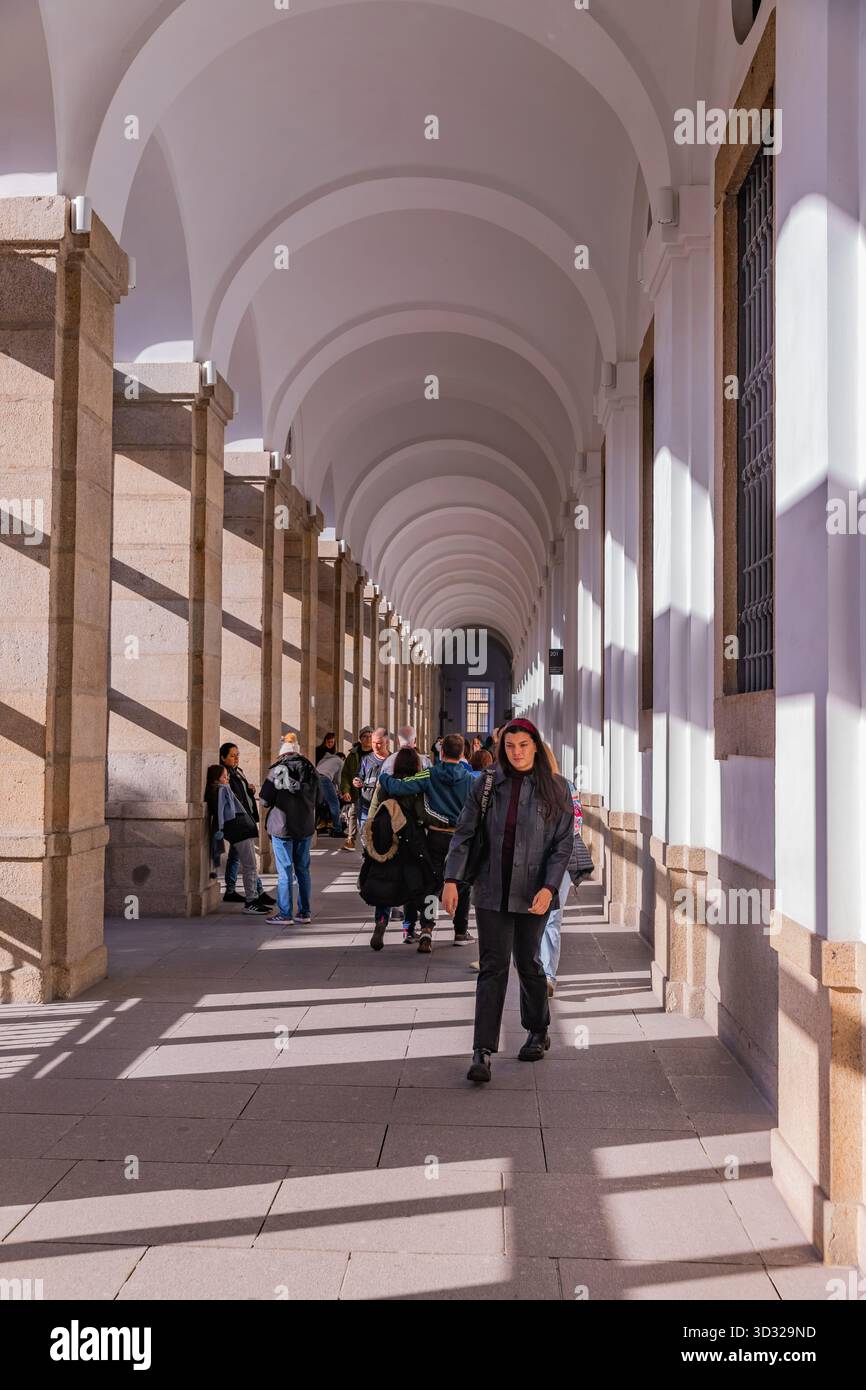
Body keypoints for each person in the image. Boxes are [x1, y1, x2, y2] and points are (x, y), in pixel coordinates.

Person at [442, 718, 574, 1085]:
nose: (516, 752)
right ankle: (482, 1051)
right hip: (491, 888)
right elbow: (464, 832)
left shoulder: (557, 788)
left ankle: (537, 1028)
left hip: (534, 890)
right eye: (510, 746)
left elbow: (563, 844)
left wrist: (549, 888)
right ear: (503, 748)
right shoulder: (485, 783)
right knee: (492, 966)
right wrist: (451, 879)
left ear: (536, 747)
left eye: (523, 746)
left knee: (529, 961)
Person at [377, 732, 475, 950]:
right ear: (462, 753)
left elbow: (398, 786)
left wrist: (383, 777)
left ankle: (427, 929)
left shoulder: (428, 775)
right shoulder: (470, 780)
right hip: (461, 839)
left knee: (432, 883)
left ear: (441, 752)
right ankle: (460, 931)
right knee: (462, 885)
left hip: (436, 836)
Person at [358, 748, 437, 951]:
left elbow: (374, 811)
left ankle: (382, 921)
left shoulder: (385, 784)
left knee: (386, 882)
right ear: (416, 766)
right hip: (412, 843)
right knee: (424, 884)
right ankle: (421, 930)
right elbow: (423, 815)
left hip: (387, 841)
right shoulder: (418, 785)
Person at [539, 747, 592, 997]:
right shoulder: (567, 787)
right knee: (550, 919)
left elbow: (576, 824)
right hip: (552, 862)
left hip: (553, 861)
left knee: (548, 916)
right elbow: (578, 825)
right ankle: (541, 970)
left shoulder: (563, 787)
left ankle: (546, 973)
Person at [259, 735, 319, 926]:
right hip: (305, 828)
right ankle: (304, 912)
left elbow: (265, 800)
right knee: (303, 870)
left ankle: (285, 914)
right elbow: (319, 799)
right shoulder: (310, 769)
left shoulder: (278, 769)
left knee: (285, 871)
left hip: (282, 828)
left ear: (282, 754)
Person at [204, 764, 270, 914]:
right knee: (250, 865)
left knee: (250, 865)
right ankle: (251, 901)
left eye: (227, 776)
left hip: (239, 829)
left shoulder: (218, 790)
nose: (227, 779)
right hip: (239, 830)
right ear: (216, 778)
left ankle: (253, 898)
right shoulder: (223, 790)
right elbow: (224, 813)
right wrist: (222, 828)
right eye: (224, 776)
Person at [219, 743, 274, 907]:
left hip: (244, 819)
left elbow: (241, 795)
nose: (236, 758)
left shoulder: (238, 772)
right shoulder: (226, 774)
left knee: (235, 857)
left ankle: (233, 891)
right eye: (232, 755)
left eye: (237, 754)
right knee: (249, 863)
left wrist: (250, 790)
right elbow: (232, 799)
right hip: (238, 823)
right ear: (222, 757)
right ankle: (255, 896)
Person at [340, 725, 373, 850]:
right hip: (356, 790)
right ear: (360, 739)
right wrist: (346, 790)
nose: (368, 739)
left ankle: (370, 840)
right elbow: (345, 774)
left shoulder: (378, 753)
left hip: (372, 790)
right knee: (353, 813)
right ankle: (351, 839)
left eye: (370, 736)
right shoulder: (353, 755)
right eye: (365, 736)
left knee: (370, 816)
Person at [353, 727, 389, 835]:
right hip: (366, 804)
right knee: (365, 835)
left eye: (379, 743)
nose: (375, 746)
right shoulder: (365, 759)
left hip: (385, 806)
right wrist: (356, 781)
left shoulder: (392, 760)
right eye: (373, 742)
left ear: (386, 742)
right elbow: (359, 776)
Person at [316, 744, 346, 837]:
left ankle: (317, 826)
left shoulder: (325, 759)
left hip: (314, 778)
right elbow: (339, 780)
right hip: (324, 779)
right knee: (335, 804)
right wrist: (342, 792)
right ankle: (337, 830)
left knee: (317, 804)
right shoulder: (340, 761)